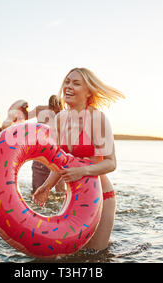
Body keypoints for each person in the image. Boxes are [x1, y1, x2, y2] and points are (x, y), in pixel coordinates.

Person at [33, 67, 124, 251]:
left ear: (88, 91)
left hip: (101, 197)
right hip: (72, 198)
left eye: (76, 83)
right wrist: (46, 187)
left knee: (94, 256)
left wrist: (82, 171)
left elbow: (111, 162)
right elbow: (60, 162)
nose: (68, 86)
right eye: (67, 82)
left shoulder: (97, 118)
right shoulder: (59, 119)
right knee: (70, 255)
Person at [27, 95, 65, 194]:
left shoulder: (65, 114)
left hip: (57, 154)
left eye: (60, 108)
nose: (58, 110)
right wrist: (23, 108)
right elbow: (24, 116)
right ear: (50, 106)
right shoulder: (40, 109)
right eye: (55, 107)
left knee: (61, 191)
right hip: (40, 153)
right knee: (36, 189)